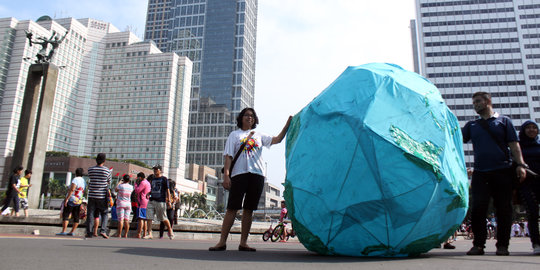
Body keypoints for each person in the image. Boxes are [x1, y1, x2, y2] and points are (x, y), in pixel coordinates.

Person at [209, 108, 292, 252]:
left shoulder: (259, 135)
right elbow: (228, 156)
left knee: (249, 209)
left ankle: (243, 242)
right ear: (241, 118)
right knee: (232, 208)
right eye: (247, 115)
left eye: (252, 116)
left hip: (257, 175)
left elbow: (277, 139)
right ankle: (222, 241)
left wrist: (287, 125)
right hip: (239, 174)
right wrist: (226, 175)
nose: (250, 118)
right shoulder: (234, 135)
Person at [462, 92, 527, 256]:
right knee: (478, 209)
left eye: (478, 101)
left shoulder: (504, 121)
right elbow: (455, 140)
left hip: (502, 171)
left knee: (504, 209)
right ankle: (478, 245)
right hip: (480, 173)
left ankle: (503, 245)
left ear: (488, 101)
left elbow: (514, 144)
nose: (475, 105)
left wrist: (520, 165)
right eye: (473, 102)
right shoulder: (471, 125)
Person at [517, 120, 540, 254]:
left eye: (534, 128)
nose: (532, 130)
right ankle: (536, 243)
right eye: (528, 128)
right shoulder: (518, 148)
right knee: (532, 213)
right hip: (526, 184)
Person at [85, 153, 112, 239]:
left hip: (92, 194)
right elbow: (109, 182)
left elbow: (90, 178)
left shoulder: (90, 169)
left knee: (90, 214)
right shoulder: (107, 170)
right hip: (102, 195)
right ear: (104, 160)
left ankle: (89, 232)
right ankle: (103, 230)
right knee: (104, 213)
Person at [145, 165, 175, 240]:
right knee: (149, 217)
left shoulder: (164, 179)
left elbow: (167, 190)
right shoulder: (153, 179)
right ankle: (149, 233)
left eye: (156, 169)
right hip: (152, 200)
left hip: (160, 201)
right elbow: (153, 188)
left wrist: (168, 200)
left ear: (160, 170)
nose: (155, 171)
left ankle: (170, 230)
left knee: (163, 218)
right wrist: (149, 193)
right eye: (154, 169)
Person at [57, 168, 85, 236]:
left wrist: (67, 199)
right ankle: (72, 231)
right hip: (79, 200)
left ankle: (64, 231)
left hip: (72, 199)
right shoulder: (83, 180)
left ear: (76, 173)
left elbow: (72, 189)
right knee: (76, 216)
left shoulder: (75, 179)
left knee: (66, 215)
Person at [134, 172, 150, 238]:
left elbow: (137, 190)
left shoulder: (143, 183)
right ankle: (144, 234)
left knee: (141, 219)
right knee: (145, 219)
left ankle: (139, 234)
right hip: (147, 201)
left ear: (140, 177)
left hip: (142, 202)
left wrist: (135, 184)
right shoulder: (148, 183)